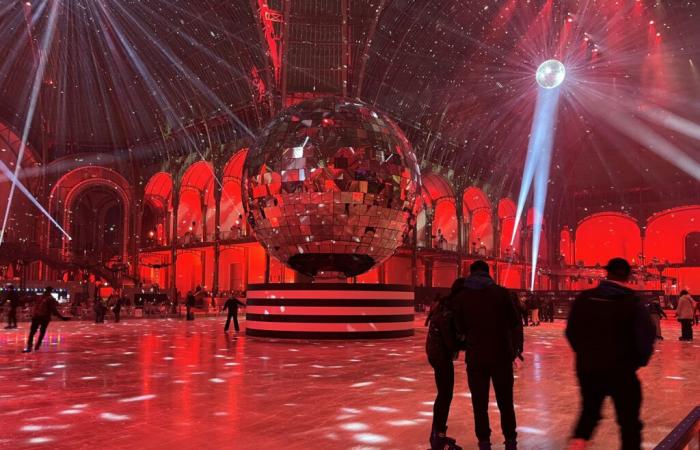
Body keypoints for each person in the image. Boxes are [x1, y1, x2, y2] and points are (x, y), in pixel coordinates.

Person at [566, 258, 655, 450]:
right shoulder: (633, 302)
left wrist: (585, 354)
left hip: (588, 369)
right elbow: (646, 338)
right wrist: (636, 362)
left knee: (589, 414)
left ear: (607, 273)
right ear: (628, 276)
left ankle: (577, 444)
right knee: (629, 422)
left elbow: (571, 331)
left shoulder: (585, 298)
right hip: (621, 371)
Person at [452, 261, 524, 450]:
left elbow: (459, 327)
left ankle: (484, 441)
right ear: (488, 273)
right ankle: (510, 441)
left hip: (476, 357)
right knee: (505, 401)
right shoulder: (501, 293)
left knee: (479, 403)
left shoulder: (462, 297)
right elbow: (515, 322)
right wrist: (515, 346)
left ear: (471, 273)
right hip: (501, 354)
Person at [425, 278, 464, 450]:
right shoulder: (448, 311)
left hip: (436, 353)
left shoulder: (447, 306)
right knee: (445, 395)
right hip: (440, 356)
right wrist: (467, 343)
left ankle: (438, 434)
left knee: (444, 394)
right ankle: (437, 437)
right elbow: (451, 343)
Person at [23, 287, 70, 352]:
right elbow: (54, 310)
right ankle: (37, 345)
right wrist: (61, 317)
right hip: (44, 317)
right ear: (50, 291)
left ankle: (29, 346)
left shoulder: (39, 297)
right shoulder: (50, 299)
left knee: (32, 332)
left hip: (36, 316)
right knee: (42, 331)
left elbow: (28, 299)